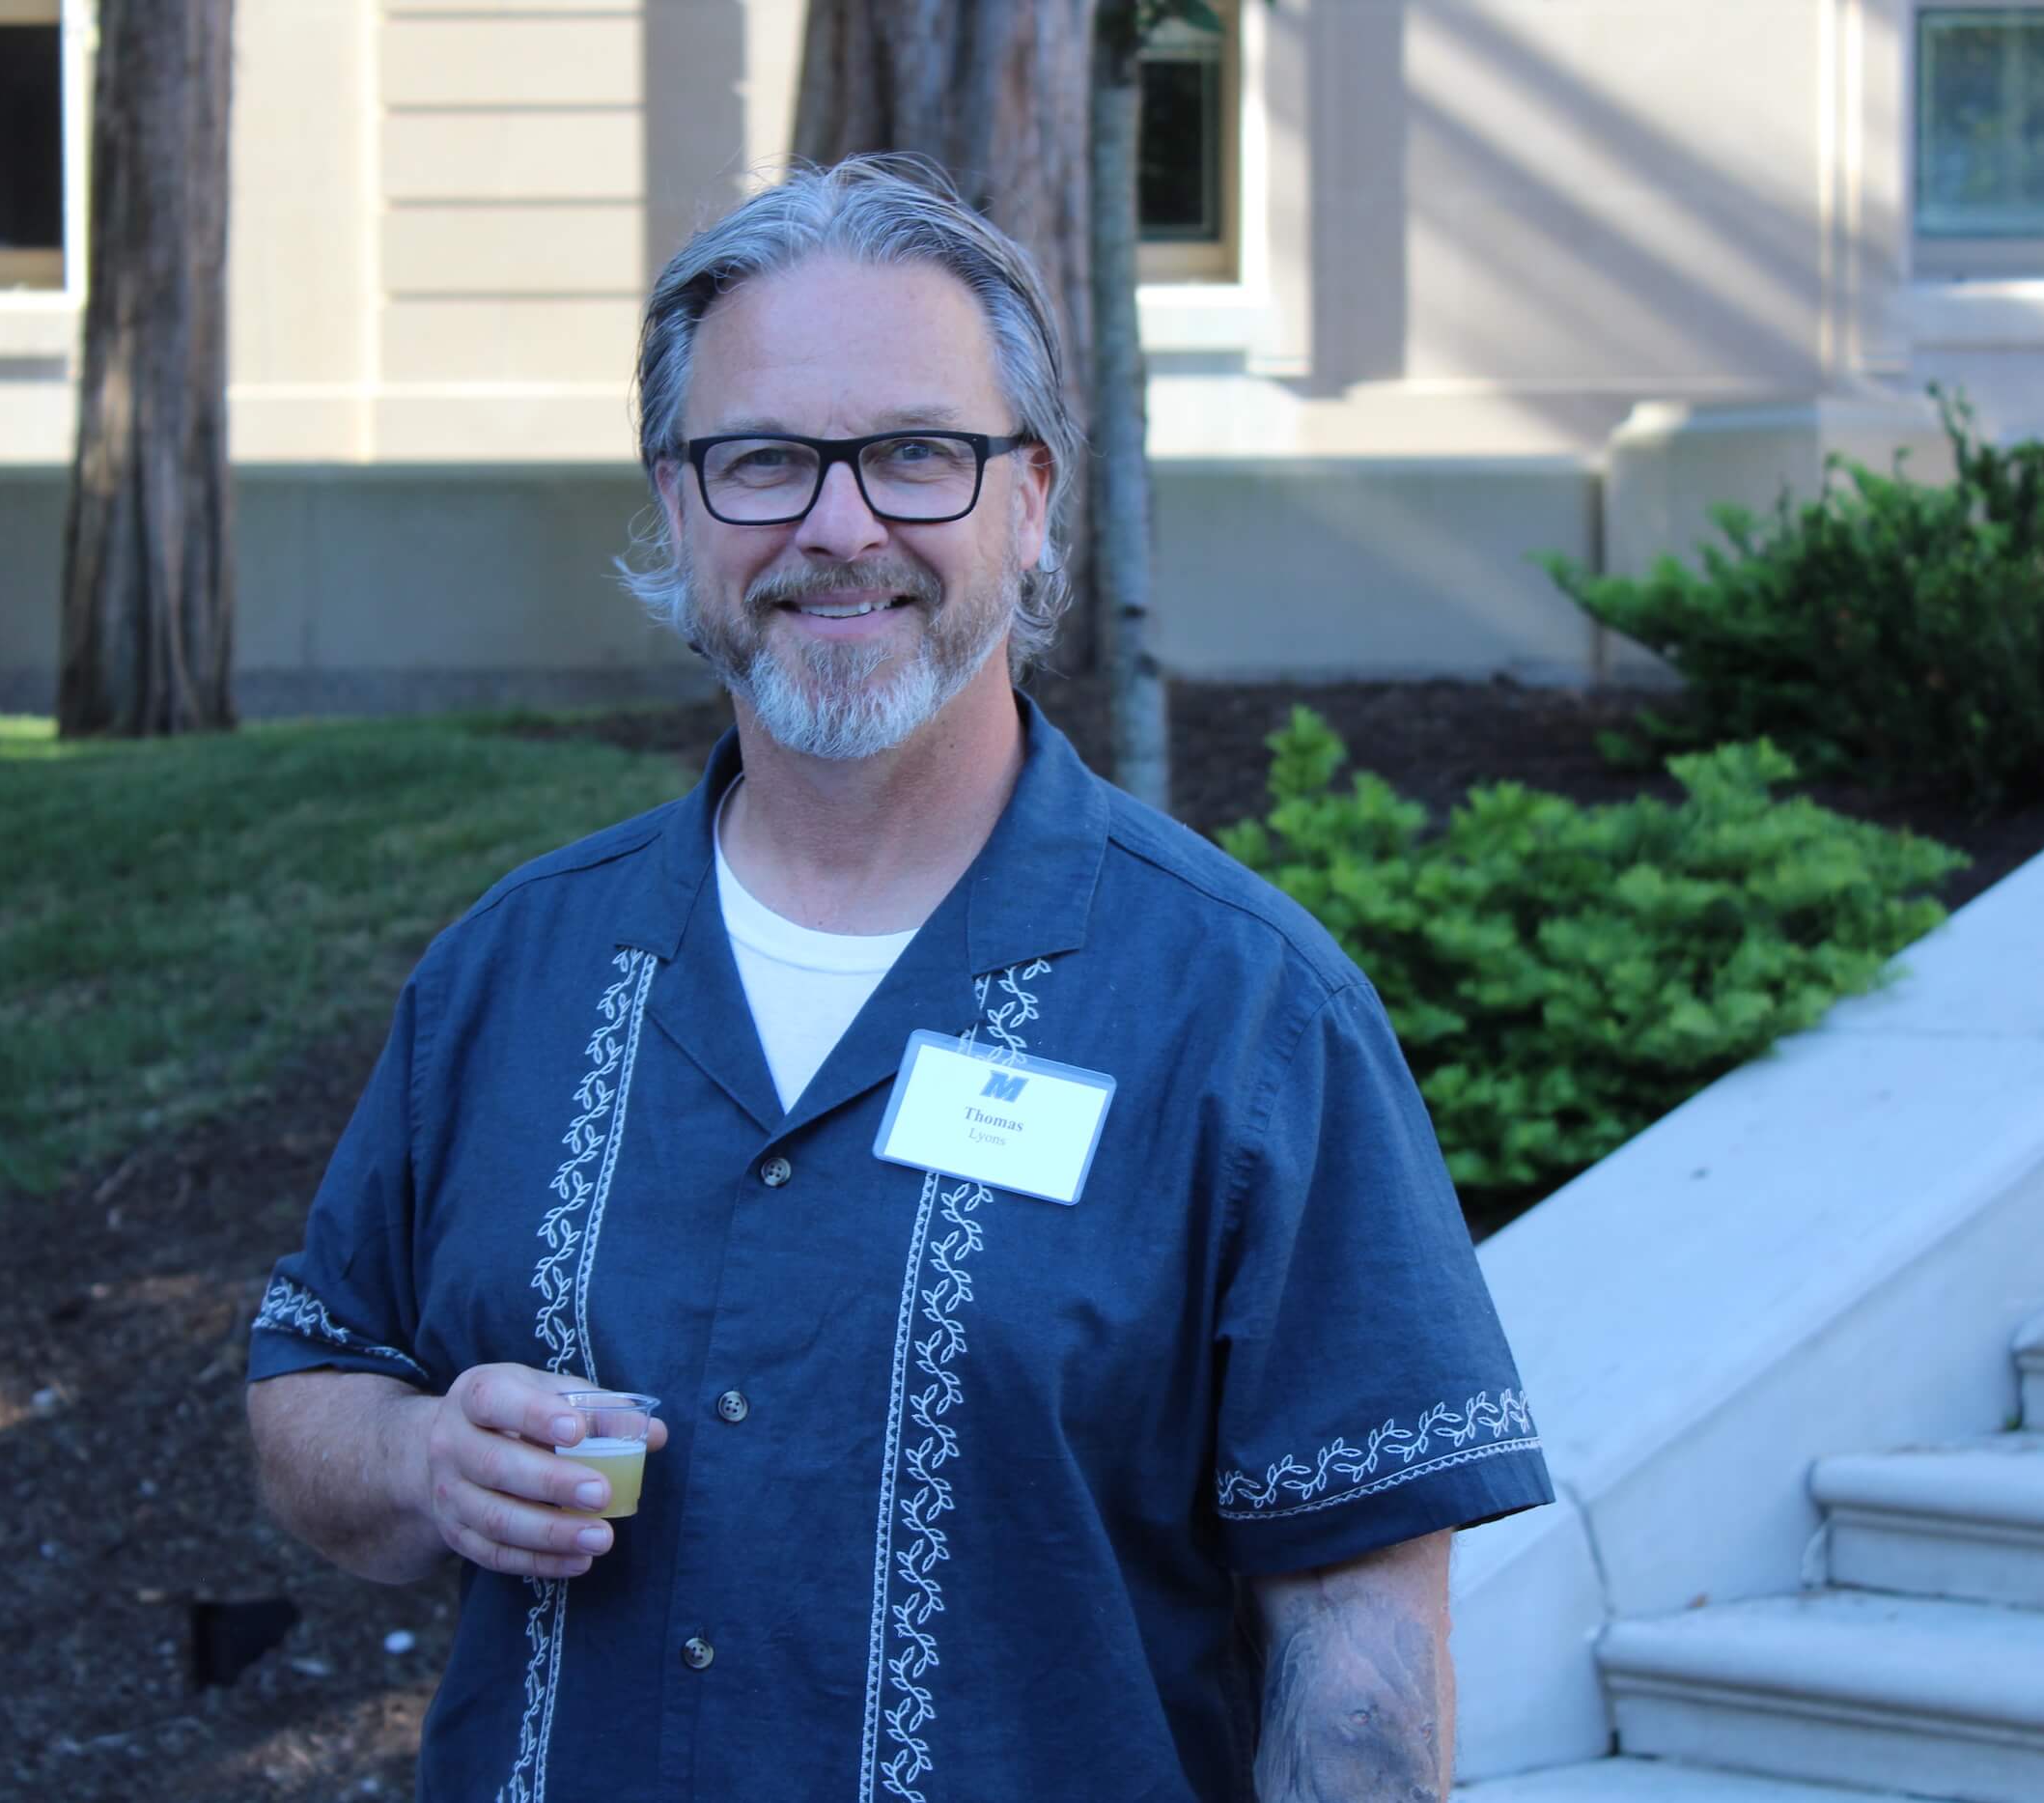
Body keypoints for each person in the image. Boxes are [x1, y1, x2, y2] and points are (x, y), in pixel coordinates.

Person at [245, 155, 1552, 1803]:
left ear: (1032, 499)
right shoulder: (513, 973)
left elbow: (1358, 1617)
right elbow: (310, 1384)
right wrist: (426, 1460)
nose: (838, 527)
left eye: (918, 455)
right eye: (764, 460)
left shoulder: (1247, 1018)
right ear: (676, 504)